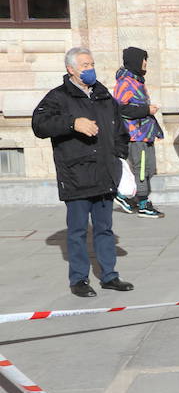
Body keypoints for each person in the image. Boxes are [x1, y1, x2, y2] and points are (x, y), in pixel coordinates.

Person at [31, 47, 136, 297]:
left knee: (104, 228)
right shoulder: (58, 97)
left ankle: (109, 275)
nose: (90, 69)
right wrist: (72, 123)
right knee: (77, 231)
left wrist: (118, 156)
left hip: (104, 173)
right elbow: (39, 124)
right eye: (85, 65)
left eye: (91, 64)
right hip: (76, 175)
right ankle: (79, 279)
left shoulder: (103, 95)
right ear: (71, 69)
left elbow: (120, 131)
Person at [109, 46, 165, 217]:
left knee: (148, 168)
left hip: (145, 133)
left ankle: (134, 199)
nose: (146, 63)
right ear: (135, 60)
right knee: (141, 168)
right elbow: (120, 108)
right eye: (144, 59)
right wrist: (146, 110)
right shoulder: (126, 82)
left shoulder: (137, 80)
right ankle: (142, 203)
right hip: (135, 135)